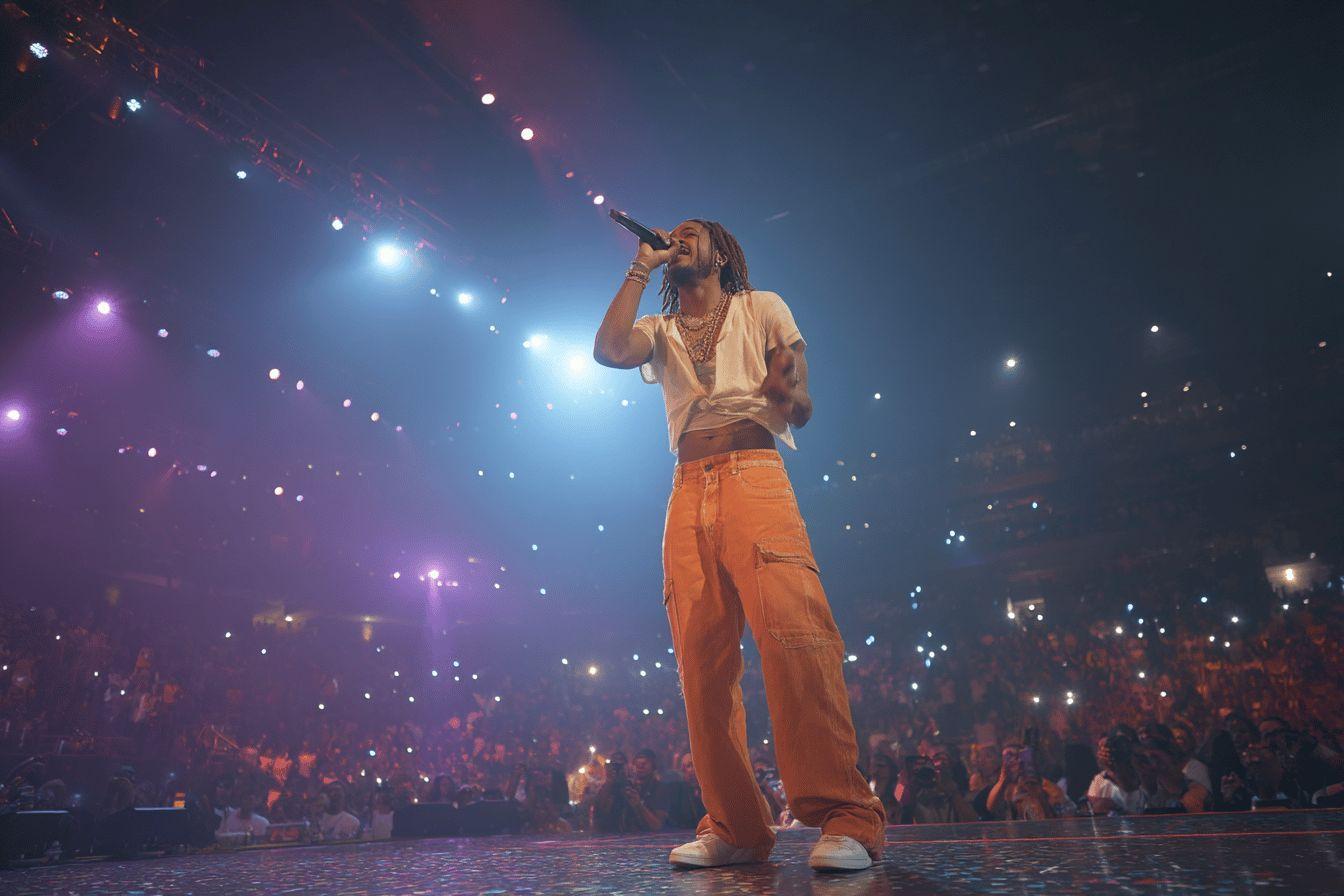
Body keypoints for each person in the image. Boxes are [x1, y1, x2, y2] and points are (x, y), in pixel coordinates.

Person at [593, 219, 885, 871]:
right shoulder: (661, 330)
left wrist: (789, 394)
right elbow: (609, 350)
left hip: (754, 475)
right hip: (687, 487)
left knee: (794, 638)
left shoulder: (761, 306)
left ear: (722, 252)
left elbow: (799, 399)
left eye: (692, 232)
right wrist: (640, 267)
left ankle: (846, 817)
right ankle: (737, 826)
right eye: (673, 234)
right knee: (702, 663)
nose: (678, 237)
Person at [592, 749, 672, 833]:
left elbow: (657, 826)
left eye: (644, 764)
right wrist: (609, 781)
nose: (640, 766)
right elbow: (598, 816)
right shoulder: (624, 786)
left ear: (654, 766)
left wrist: (638, 805)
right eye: (638, 764)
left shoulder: (660, 788)